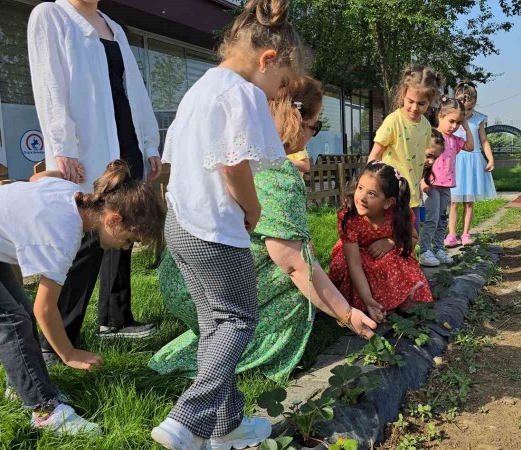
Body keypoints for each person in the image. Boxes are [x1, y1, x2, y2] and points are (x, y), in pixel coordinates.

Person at [149, 1, 312, 449]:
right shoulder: (242, 93)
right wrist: (253, 208)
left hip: (181, 223)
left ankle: (227, 426)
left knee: (215, 325)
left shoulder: (199, 88)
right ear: (268, 60)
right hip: (214, 227)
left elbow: (172, 162)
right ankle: (186, 419)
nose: (279, 94)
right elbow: (232, 162)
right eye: (281, 84)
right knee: (239, 319)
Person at [148, 76, 376, 381]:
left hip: (180, 276)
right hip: (211, 286)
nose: (313, 136)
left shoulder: (236, 148)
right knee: (300, 284)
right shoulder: (278, 171)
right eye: (315, 126)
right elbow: (294, 265)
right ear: (295, 118)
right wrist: (347, 315)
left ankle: (207, 345)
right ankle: (240, 359)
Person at [0, 161, 165, 437]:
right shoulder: (63, 235)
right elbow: (45, 309)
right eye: (129, 239)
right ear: (113, 219)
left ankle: (20, 388)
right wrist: (69, 354)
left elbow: (36, 178)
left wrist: (59, 172)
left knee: (18, 312)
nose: (127, 246)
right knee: (10, 320)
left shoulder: (70, 192)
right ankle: (45, 410)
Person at [28, 0, 162, 354]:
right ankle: (55, 341)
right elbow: (49, 84)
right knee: (84, 242)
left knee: (123, 231)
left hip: (125, 147)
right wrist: (63, 146)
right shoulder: (51, 15)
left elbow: (133, 89)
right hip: (86, 150)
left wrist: (149, 143)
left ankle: (115, 319)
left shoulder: (113, 26)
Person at [329, 162, 434, 322]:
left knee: (393, 258)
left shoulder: (397, 214)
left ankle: (401, 298)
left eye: (371, 193)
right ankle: (371, 303)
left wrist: (392, 242)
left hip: (382, 255)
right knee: (347, 265)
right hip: (355, 256)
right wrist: (367, 300)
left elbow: (412, 239)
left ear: (388, 202)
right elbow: (354, 264)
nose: (362, 197)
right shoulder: (350, 218)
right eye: (360, 188)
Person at [367, 66, 442, 230]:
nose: (415, 108)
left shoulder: (426, 126)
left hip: (412, 196)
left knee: (412, 240)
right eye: (411, 101)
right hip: (391, 197)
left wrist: (420, 182)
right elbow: (373, 157)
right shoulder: (393, 121)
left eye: (422, 104)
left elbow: (418, 160)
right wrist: (373, 189)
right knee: (391, 240)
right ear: (403, 95)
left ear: (430, 102)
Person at [419, 98, 475, 266]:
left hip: (446, 186)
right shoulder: (432, 136)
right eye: (451, 121)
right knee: (432, 218)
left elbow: (471, 147)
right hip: (431, 184)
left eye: (458, 123)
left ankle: (438, 249)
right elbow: (422, 158)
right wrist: (422, 179)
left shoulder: (455, 140)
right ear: (440, 116)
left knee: (442, 218)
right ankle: (425, 251)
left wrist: (465, 127)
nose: (454, 126)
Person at [445, 81, 497, 247]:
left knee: (469, 201)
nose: (467, 113)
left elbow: (484, 140)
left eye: (471, 108)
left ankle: (466, 233)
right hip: (456, 162)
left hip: (473, 162)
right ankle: (452, 234)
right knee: (453, 201)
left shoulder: (479, 119)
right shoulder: (453, 121)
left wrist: (490, 158)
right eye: (465, 109)